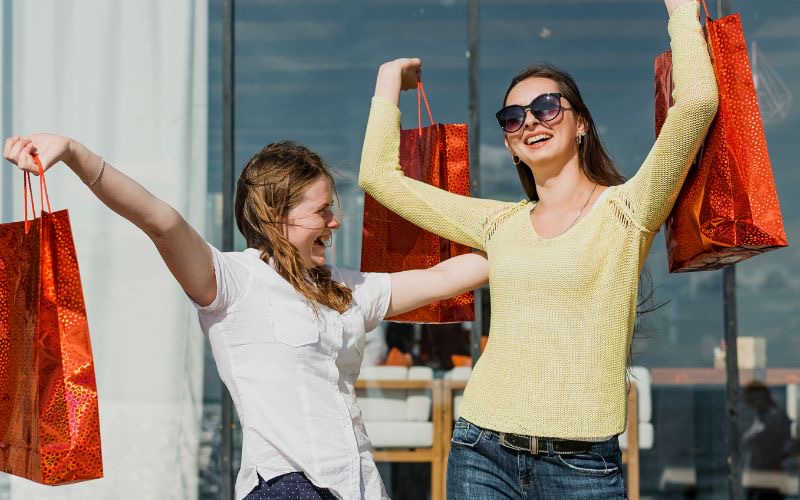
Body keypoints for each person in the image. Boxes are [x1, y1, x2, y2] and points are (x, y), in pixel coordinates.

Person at [358, 0, 718, 497]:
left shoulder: (627, 210)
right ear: (509, 143)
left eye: (547, 107)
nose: (530, 121)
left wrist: (680, 10)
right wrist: (388, 80)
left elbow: (697, 103)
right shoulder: (500, 223)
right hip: (482, 451)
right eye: (512, 117)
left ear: (581, 123)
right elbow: (379, 178)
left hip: (583, 468)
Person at [3, 136, 489, 500]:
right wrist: (72, 152)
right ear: (279, 216)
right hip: (288, 486)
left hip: (359, 486)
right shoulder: (233, 283)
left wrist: (539, 232)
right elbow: (161, 220)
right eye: (322, 212)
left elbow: (447, 275)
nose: (334, 223)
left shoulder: (347, 290)